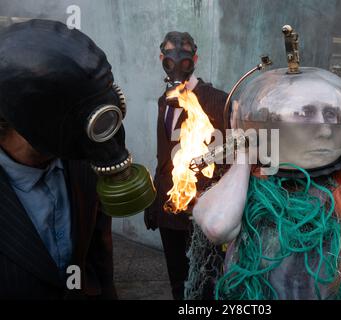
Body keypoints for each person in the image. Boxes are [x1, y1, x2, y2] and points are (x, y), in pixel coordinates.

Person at [192, 68, 341, 300]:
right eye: (305, 113)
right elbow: (217, 227)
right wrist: (245, 151)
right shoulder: (250, 186)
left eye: (331, 114)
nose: (325, 128)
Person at [0, 19, 138, 299]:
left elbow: (98, 257)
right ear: (32, 121)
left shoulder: (79, 161)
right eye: (91, 118)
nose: (107, 138)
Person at [144, 31, 228, 300]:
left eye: (184, 55)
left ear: (195, 58)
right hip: (169, 212)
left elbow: (229, 156)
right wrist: (154, 199)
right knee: (178, 283)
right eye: (170, 54)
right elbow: (165, 157)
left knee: (207, 282)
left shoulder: (217, 99)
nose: (177, 60)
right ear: (161, 58)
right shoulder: (164, 100)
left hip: (204, 211)